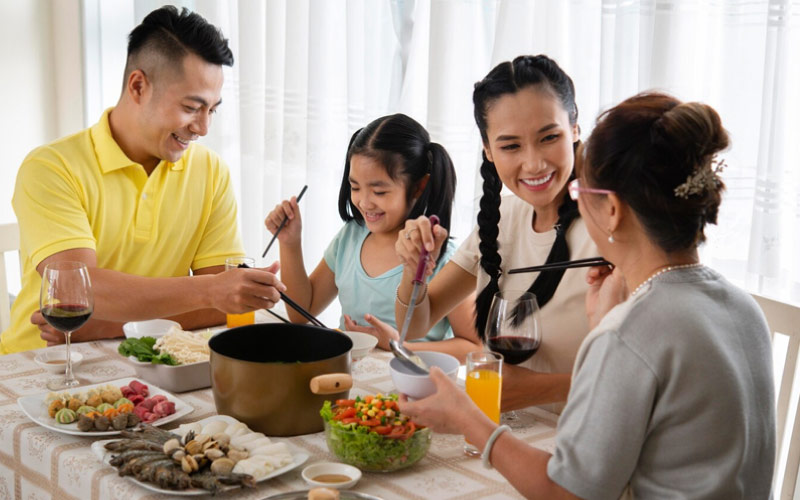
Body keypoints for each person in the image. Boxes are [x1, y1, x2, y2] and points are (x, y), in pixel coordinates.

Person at [399, 92, 776, 499]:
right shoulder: (743, 308)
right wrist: (602, 323)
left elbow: (567, 492)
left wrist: (469, 419)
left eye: (582, 196)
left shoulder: (628, 332)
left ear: (611, 210)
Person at [2, 6, 286, 354]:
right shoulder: (51, 168)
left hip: (148, 358)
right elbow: (78, 290)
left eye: (212, 109)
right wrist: (210, 289)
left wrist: (112, 325)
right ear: (138, 86)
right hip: (45, 362)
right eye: (191, 107)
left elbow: (224, 304)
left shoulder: (211, 172)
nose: (203, 127)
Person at [395, 55, 597, 409]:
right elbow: (415, 325)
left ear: (575, 129)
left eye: (549, 137)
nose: (534, 163)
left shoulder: (612, 229)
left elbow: (647, 377)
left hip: (583, 436)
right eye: (511, 146)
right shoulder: (501, 217)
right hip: (499, 428)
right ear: (488, 150)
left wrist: (537, 390)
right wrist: (414, 273)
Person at [264, 114, 480, 360]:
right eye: (355, 187)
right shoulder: (351, 237)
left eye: (379, 191)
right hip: (350, 383)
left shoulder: (441, 258)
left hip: (409, 388)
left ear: (419, 187)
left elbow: (473, 346)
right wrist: (290, 242)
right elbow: (302, 311)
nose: (364, 202)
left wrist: (397, 345)